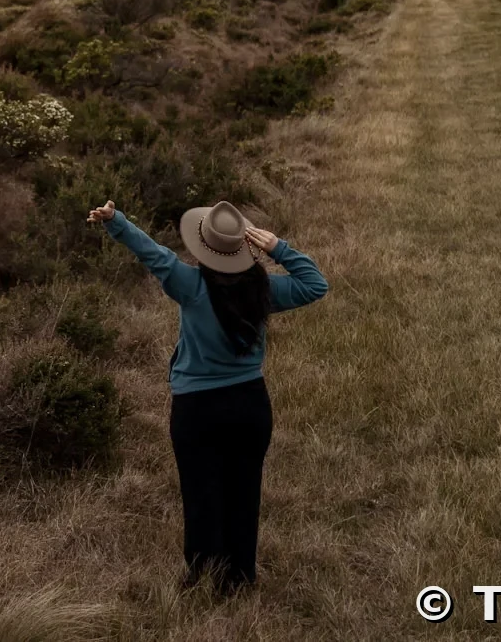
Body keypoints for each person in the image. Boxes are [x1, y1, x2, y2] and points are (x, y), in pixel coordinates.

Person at [86, 197, 327, 594]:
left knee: (200, 492)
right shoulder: (264, 289)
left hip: (196, 409)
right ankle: (239, 578)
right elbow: (316, 284)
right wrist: (278, 247)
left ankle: (200, 574)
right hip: (250, 405)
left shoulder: (189, 285)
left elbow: (152, 253)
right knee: (244, 492)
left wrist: (116, 221)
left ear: (204, 247)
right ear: (244, 245)